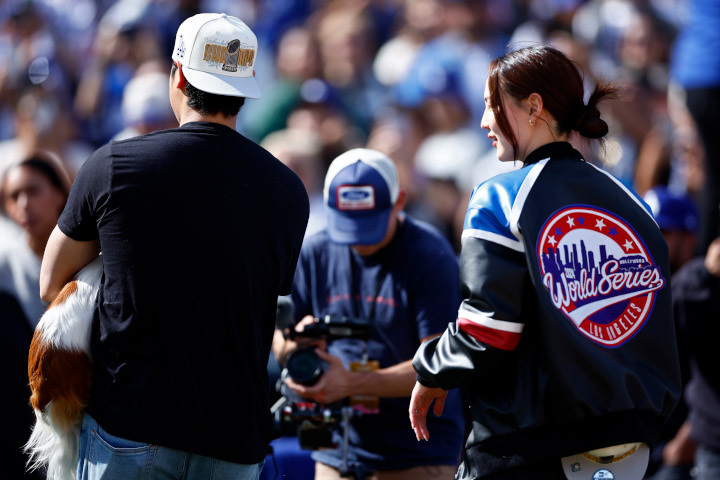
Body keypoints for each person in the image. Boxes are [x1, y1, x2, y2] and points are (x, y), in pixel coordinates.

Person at [39, 13, 309, 480]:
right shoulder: (288, 190)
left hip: (127, 433)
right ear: (244, 89)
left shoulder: (114, 164)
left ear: (178, 76)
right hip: (231, 444)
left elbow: (50, 283)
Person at [409, 45, 681, 480]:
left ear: (534, 107)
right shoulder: (632, 203)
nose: (483, 122)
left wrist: (432, 370)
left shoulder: (500, 196)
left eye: (490, 105)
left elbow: (488, 329)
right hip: (634, 445)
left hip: (528, 448)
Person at [274, 148, 464, 480]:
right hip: (335, 448)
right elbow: (277, 331)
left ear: (399, 202)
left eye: (369, 223)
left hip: (415, 452)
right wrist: (292, 349)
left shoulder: (430, 256)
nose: (358, 239)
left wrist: (351, 382)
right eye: (348, 223)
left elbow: (442, 367)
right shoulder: (315, 250)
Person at [0, 151, 71, 327]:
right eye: (14, 196)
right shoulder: (5, 265)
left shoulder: (93, 252)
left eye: (33, 191)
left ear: (60, 193)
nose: (24, 204)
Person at [671, 236, 720, 480]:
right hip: (712, 450)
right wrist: (706, 274)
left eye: (670, 233)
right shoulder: (703, 278)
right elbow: (663, 334)